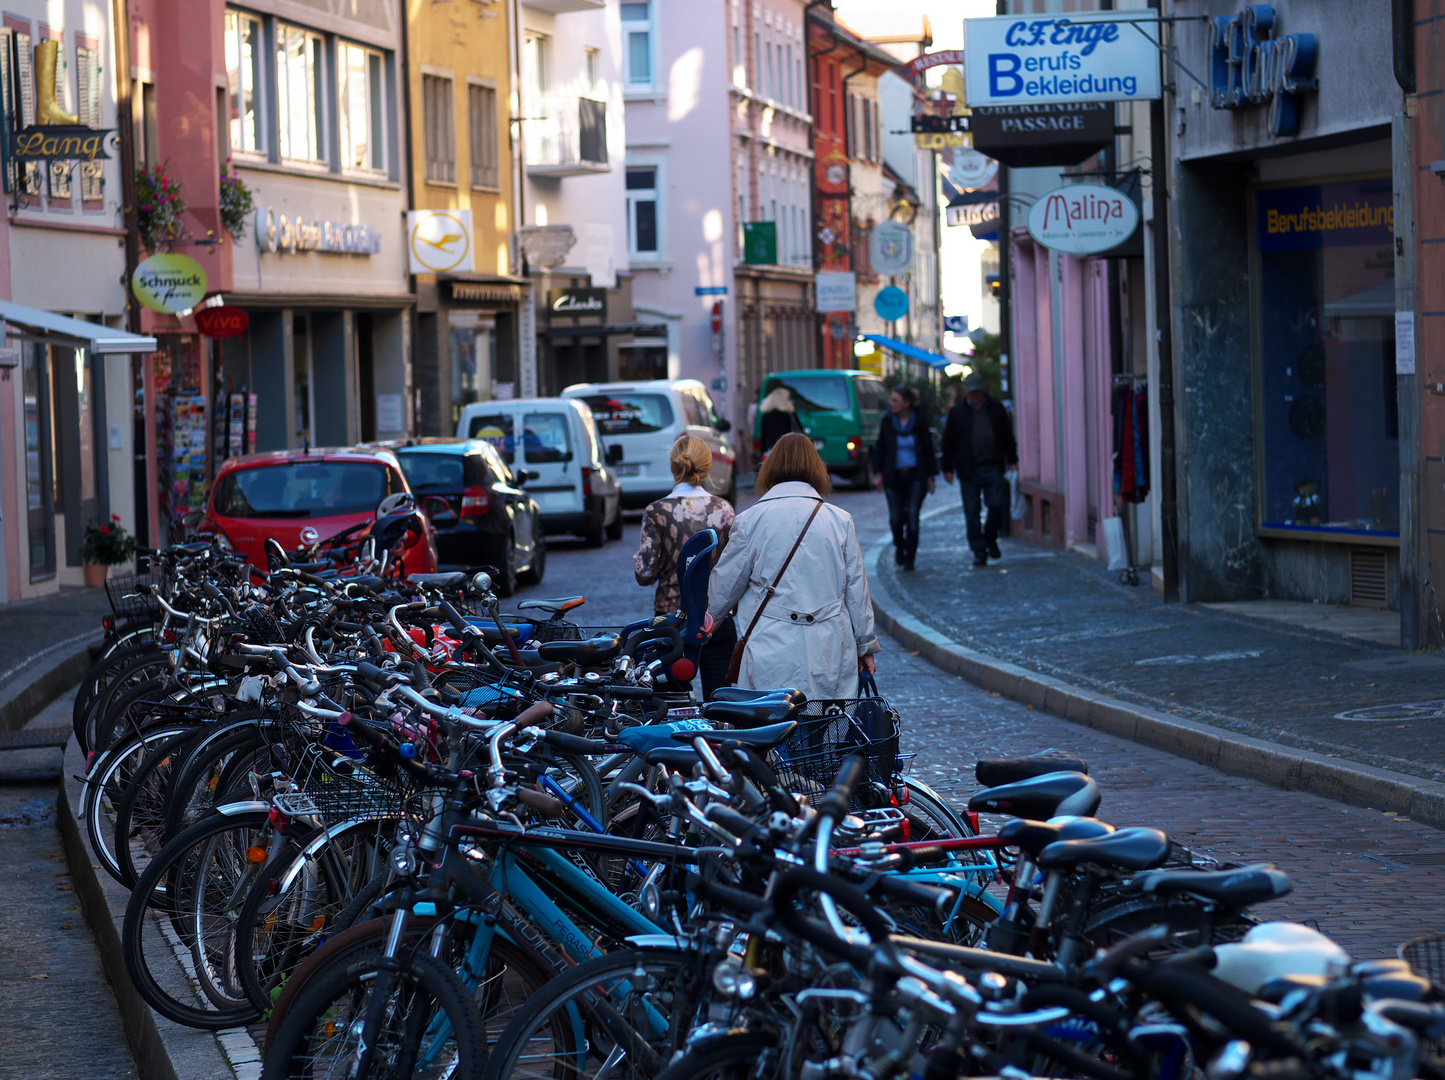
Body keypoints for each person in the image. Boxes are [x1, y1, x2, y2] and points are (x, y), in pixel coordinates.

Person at [709, 432, 880, 700]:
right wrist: (865, 645)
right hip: (829, 647)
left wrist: (702, 626)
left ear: (770, 468)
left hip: (770, 645)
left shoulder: (751, 520)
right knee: (824, 729)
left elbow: (724, 587)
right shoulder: (839, 520)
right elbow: (857, 591)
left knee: (769, 728)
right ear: (816, 468)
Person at [634, 436, 737, 698]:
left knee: (670, 701)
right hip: (715, 616)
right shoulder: (723, 509)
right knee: (721, 701)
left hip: (672, 619)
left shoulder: (657, 511)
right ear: (707, 467)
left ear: (673, 466)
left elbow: (644, 573)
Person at [940, 372, 1017, 568]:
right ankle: (979, 550)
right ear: (966, 391)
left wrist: (1013, 460)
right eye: (971, 391)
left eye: (977, 391)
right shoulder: (958, 413)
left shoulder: (996, 408)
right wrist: (947, 468)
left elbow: (1007, 436)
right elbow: (948, 442)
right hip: (969, 469)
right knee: (972, 511)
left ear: (982, 389)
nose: (974, 395)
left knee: (997, 505)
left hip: (993, 465)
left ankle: (990, 538)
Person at [873, 385, 937, 571]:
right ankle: (900, 546)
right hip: (893, 476)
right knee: (896, 518)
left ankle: (910, 557)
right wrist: (879, 474)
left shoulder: (919, 421)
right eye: (891, 400)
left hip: (916, 475)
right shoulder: (887, 421)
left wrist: (931, 476)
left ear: (906, 403)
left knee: (912, 516)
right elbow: (880, 448)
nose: (891, 403)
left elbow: (927, 449)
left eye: (895, 400)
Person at [758, 385, 798, 453]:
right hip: (789, 449)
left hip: (772, 450)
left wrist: (762, 452)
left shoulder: (767, 415)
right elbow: (798, 430)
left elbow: (764, 437)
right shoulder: (789, 414)